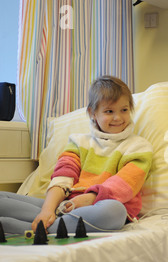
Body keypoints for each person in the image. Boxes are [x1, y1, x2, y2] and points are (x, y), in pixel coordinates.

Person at [0, 76, 153, 234]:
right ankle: (46, 221)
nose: (118, 117)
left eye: (124, 110)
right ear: (92, 113)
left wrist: (88, 199)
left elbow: (125, 184)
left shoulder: (139, 147)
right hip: (66, 205)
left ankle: (18, 227)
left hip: (101, 207)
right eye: (109, 111)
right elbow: (63, 177)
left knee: (115, 211)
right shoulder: (78, 142)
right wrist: (47, 210)